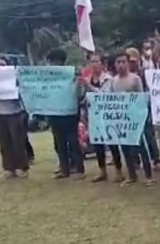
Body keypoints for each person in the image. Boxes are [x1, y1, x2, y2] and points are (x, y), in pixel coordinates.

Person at [110, 52, 155, 187]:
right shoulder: (114, 81)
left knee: (141, 146)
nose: (121, 65)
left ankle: (149, 176)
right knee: (125, 148)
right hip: (122, 119)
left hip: (135, 117)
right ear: (115, 65)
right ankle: (131, 175)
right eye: (119, 62)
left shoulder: (135, 79)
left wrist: (142, 115)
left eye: (124, 62)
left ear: (128, 63)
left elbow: (141, 98)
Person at [81, 53, 123, 183]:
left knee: (112, 142)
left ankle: (118, 170)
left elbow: (105, 96)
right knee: (97, 143)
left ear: (102, 64)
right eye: (92, 62)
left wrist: (89, 88)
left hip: (108, 114)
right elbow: (84, 97)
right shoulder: (87, 78)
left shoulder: (108, 79)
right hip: (94, 115)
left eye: (96, 61)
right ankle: (102, 170)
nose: (94, 64)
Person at [46, 48, 85, 180]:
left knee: (73, 141)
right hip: (54, 114)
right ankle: (64, 169)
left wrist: (78, 83)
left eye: (55, 61)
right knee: (59, 143)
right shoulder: (47, 78)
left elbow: (78, 94)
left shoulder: (71, 75)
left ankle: (79, 169)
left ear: (61, 62)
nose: (53, 64)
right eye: (51, 62)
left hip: (70, 113)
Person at [126, 47, 160, 167]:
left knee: (148, 134)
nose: (132, 63)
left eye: (134, 61)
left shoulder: (145, 73)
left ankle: (155, 158)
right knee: (133, 135)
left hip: (145, 106)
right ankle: (136, 160)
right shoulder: (124, 76)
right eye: (130, 61)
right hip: (130, 109)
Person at [0, 58, 29, 179]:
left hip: (15, 112)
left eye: (2, 65)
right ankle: (9, 168)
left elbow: (22, 93)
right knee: (4, 142)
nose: (0, 68)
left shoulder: (15, 79)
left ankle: (22, 167)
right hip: (0, 113)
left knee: (18, 141)